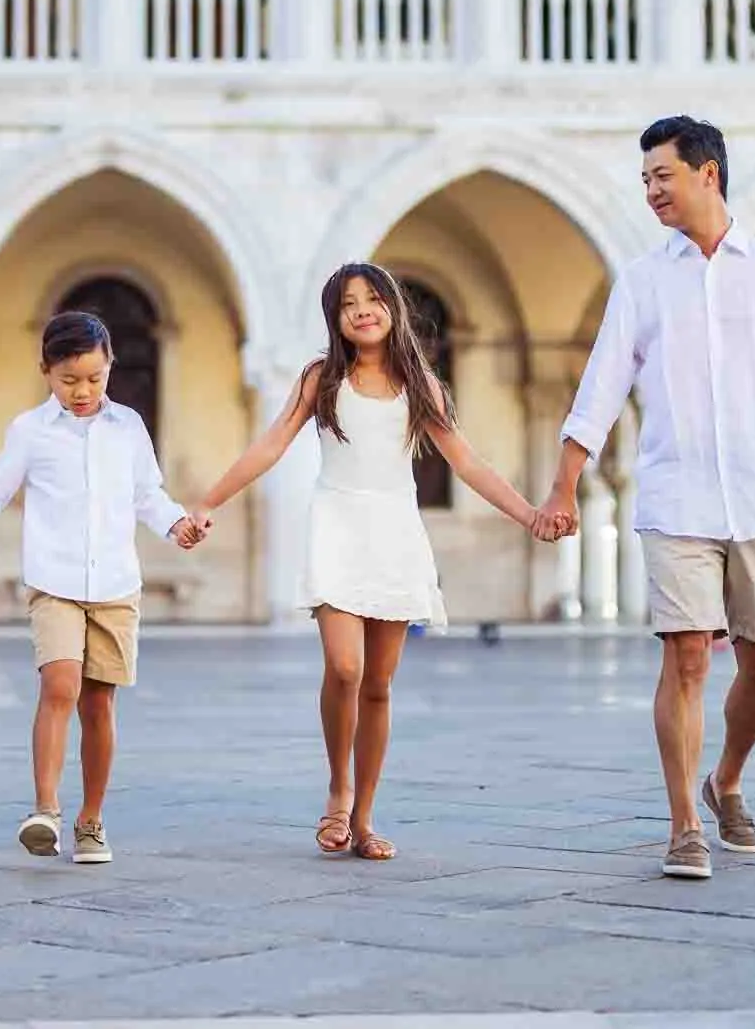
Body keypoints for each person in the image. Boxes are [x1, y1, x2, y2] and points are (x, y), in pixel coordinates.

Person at [192, 263, 561, 861]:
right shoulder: (322, 379)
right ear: (335, 320)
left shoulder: (424, 387)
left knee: (380, 685)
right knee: (345, 668)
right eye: (347, 304)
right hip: (337, 524)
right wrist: (209, 501)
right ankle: (338, 789)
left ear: (393, 307)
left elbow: (468, 464)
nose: (362, 310)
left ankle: (363, 818)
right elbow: (271, 444)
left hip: (395, 532)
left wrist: (530, 514)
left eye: (372, 299)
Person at [533, 116, 755, 881]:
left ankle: (723, 780)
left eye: (662, 175)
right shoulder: (642, 280)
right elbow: (600, 388)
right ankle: (684, 823)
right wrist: (564, 482)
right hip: (675, 495)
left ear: (708, 174)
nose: (652, 190)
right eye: (646, 179)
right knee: (688, 655)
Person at [0, 311, 204, 864]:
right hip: (55, 581)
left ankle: (90, 822)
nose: (83, 391)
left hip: (117, 584)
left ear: (110, 366)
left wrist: (178, 525)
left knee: (99, 702)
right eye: (69, 380)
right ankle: (44, 809)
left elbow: (149, 495)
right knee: (61, 686)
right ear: (46, 371)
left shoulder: (130, 428)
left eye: (94, 378)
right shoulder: (30, 431)